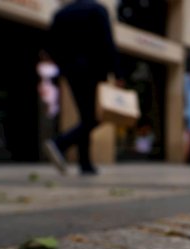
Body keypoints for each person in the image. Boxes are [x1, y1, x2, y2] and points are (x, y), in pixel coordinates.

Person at [43, 0, 121, 175]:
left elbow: (50, 44)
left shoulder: (61, 13)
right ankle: (60, 143)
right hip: (94, 70)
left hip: (72, 72)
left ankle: (85, 163)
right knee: (94, 118)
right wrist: (117, 73)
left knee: (85, 116)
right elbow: (107, 41)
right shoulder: (97, 10)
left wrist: (63, 66)